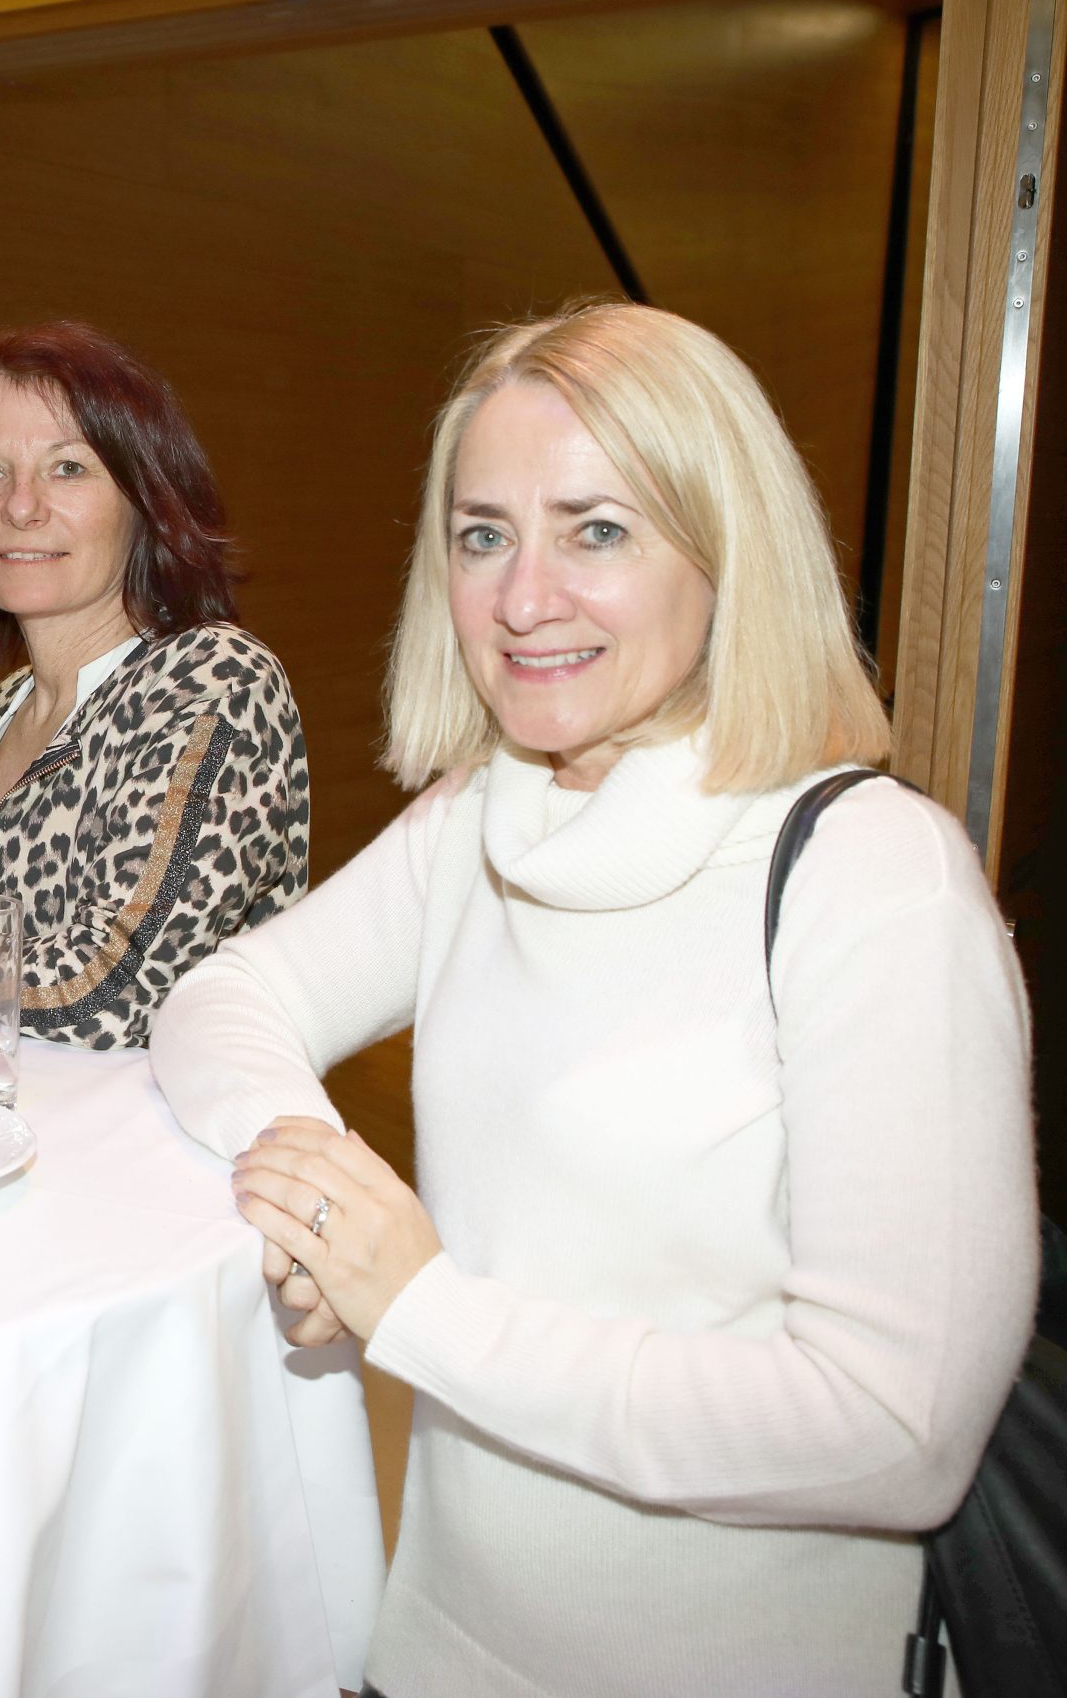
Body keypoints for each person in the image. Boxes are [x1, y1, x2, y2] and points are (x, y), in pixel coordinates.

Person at [153, 302, 1037, 1696]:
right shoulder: (480, 817)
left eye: (598, 530)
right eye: (482, 534)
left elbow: (893, 1429)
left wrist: (422, 1305)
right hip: (431, 1649)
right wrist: (324, 1203)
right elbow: (222, 997)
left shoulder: (873, 880)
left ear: (726, 549)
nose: (522, 597)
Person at [0, 322, 310, 1050]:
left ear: (145, 501)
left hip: (141, 1122)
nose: (21, 506)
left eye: (67, 467)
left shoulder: (213, 683)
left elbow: (118, 992)